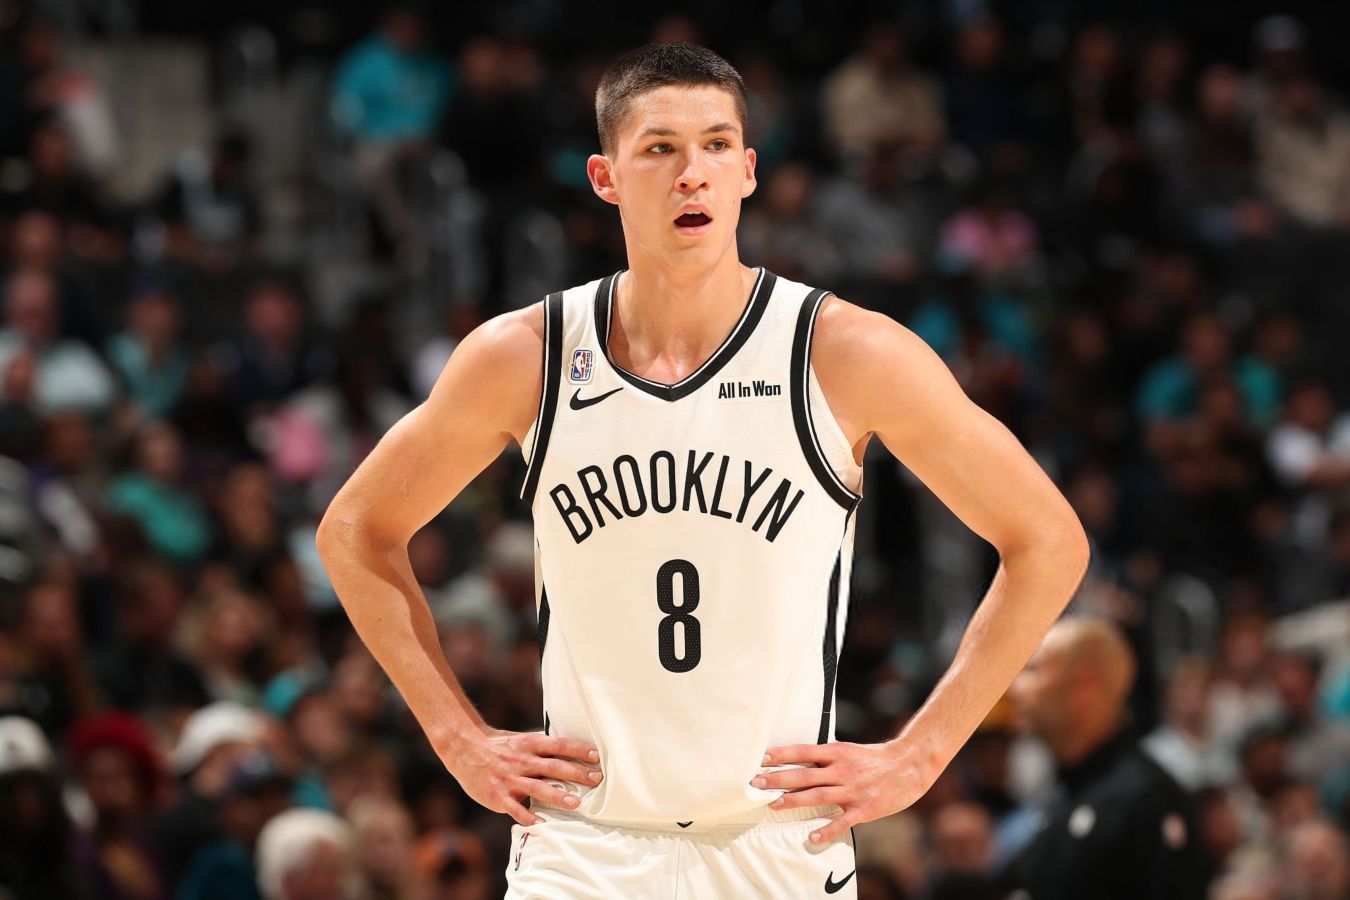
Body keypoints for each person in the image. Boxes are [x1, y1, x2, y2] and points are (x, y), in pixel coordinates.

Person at [317, 42, 1089, 897]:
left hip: (778, 841)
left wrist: (924, 753)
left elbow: (1048, 540)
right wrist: (455, 736)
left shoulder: (843, 352)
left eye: (717, 145)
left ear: (749, 170)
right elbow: (356, 530)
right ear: (606, 177)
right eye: (660, 148)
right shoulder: (525, 356)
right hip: (584, 844)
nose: (693, 173)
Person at [1007, 617, 1208, 898]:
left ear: (1083, 684)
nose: (1015, 689)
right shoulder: (1060, 796)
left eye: (1033, 670)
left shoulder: (1147, 799)